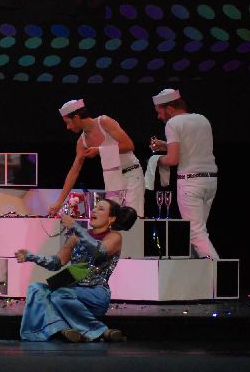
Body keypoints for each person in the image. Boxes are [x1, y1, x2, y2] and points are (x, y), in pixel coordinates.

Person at [16, 199, 137, 342]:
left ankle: (99, 330)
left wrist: (76, 227)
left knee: (60, 295)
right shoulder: (75, 238)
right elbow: (56, 263)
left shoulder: (114, 237)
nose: (94, 210)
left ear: (111, 218)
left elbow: (99, 252)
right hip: (71, 289)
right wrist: (31, 257)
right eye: (95, 207)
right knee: (35, 288)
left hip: (95, 293)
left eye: (100, 209)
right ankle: (64, 329)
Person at [149, 89, 219, 259]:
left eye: (159, 112)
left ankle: (218, 271)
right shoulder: (202, 119)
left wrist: (156, 160)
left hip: (191, 183)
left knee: (196, 234)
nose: (159, 116)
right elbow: (191, 148)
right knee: (199, 233)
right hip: (209, 181)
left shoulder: (173, 123)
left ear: (169, 108)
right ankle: (199, 273)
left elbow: (172, 160)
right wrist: (165, 145)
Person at [48, 99, 144, 218]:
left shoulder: (104, 122)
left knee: (133, 218)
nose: (68, 127)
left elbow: (129, 145)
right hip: (113, 180)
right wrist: (59, 202)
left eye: (68, 122)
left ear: (76, 118)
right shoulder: (82, 142)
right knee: (114, 219)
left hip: (131, 174)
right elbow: (74, 171)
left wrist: (99, 150)